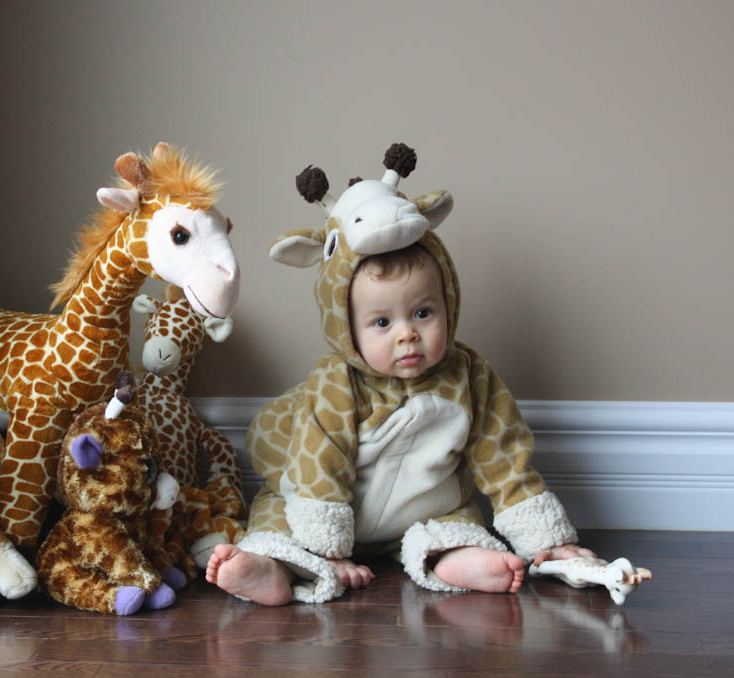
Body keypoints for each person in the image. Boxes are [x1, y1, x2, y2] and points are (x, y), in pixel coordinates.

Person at [207, 230, 593, 605]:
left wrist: (549, 541)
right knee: (277, 518)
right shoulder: (335, 381)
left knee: (458, 524)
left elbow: (504, 458)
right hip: (327, 514)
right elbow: (318, 464)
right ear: (347, 329)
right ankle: (272, 568)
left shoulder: (469, 376)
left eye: (423, 313)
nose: (407, 334)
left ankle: (460, 560)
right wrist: (328, 548)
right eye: (382, 323)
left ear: (448, 305)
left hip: (422, 512)